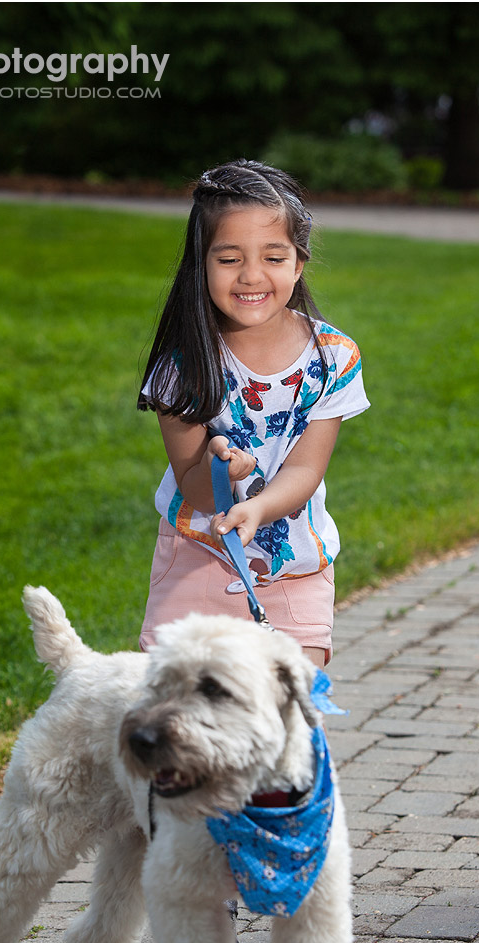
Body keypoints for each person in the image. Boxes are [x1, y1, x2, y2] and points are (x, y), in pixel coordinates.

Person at [137, 158, 370, 671]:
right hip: (198, 554)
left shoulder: (332, 358)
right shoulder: (184, 365)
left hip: (294, 566)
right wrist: (221, 471)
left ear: (298, 263)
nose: (251, 275)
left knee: (286, 716)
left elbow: (306, 470)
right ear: (201, 264)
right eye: (228, 259)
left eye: (273, 256)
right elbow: (192, 487)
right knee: (179, 718)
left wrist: (259, 510)